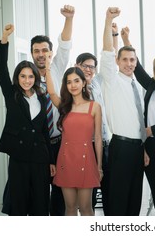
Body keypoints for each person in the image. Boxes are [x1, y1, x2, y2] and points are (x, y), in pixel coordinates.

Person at [115, 26, 155, 216]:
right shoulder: (150, 85)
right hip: (149, 148)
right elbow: (136, 66)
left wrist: (151, 130)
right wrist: (126, 39)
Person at [0, 24, 56, 215]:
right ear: (17, 78)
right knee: (19, 205)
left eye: (30, 76)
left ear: (35, 79)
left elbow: (45, 131)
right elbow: (0, 69)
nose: (27, 80)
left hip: (40, 158)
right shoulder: (11, 94)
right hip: (19, 157)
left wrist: (51, 161)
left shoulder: (41, 96)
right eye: (23, 76)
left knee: (40, 204)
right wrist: (4, 39)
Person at [100, 7, 146, 216]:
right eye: (125, 60)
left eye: (132, 60)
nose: (129, 63)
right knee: (118, 200)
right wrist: (109, 21)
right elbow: (107, 52)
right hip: (121, 147)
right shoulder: (112, 81)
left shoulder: (138, 85)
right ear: (118, 62)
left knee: (135, 199)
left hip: (138, 149)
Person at [30, 4, 75, 216]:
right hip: (38, 145)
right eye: (37, 51)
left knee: (60, 193)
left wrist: (68, 19)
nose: (41, 55)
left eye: (45, 51)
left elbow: (65, 44)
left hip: (59, 143)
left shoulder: (56, 68)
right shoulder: (26, 77)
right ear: (32, 54)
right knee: (38, 195)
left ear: (51, 53)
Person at [45, 60, 103, 216]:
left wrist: (99, 166)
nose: (73, 85)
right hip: (66, 160)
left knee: (86, 208)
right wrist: (48, 68)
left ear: (84, 83)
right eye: (69, 82)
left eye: (76, 81)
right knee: (69, 207)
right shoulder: (64, 106)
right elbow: (51, 92)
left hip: (87, 160)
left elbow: (97, 138)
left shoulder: (94, 106)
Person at [75, 52, 111, 215]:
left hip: (103, 144)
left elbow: (108, 62)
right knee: (87, 196)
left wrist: (114, 36)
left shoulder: (96, 83)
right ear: (77, 66)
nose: (88, 70)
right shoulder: (73, 88)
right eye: (85, 66)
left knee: (108, 190)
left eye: (91, 67)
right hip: (85, 147)